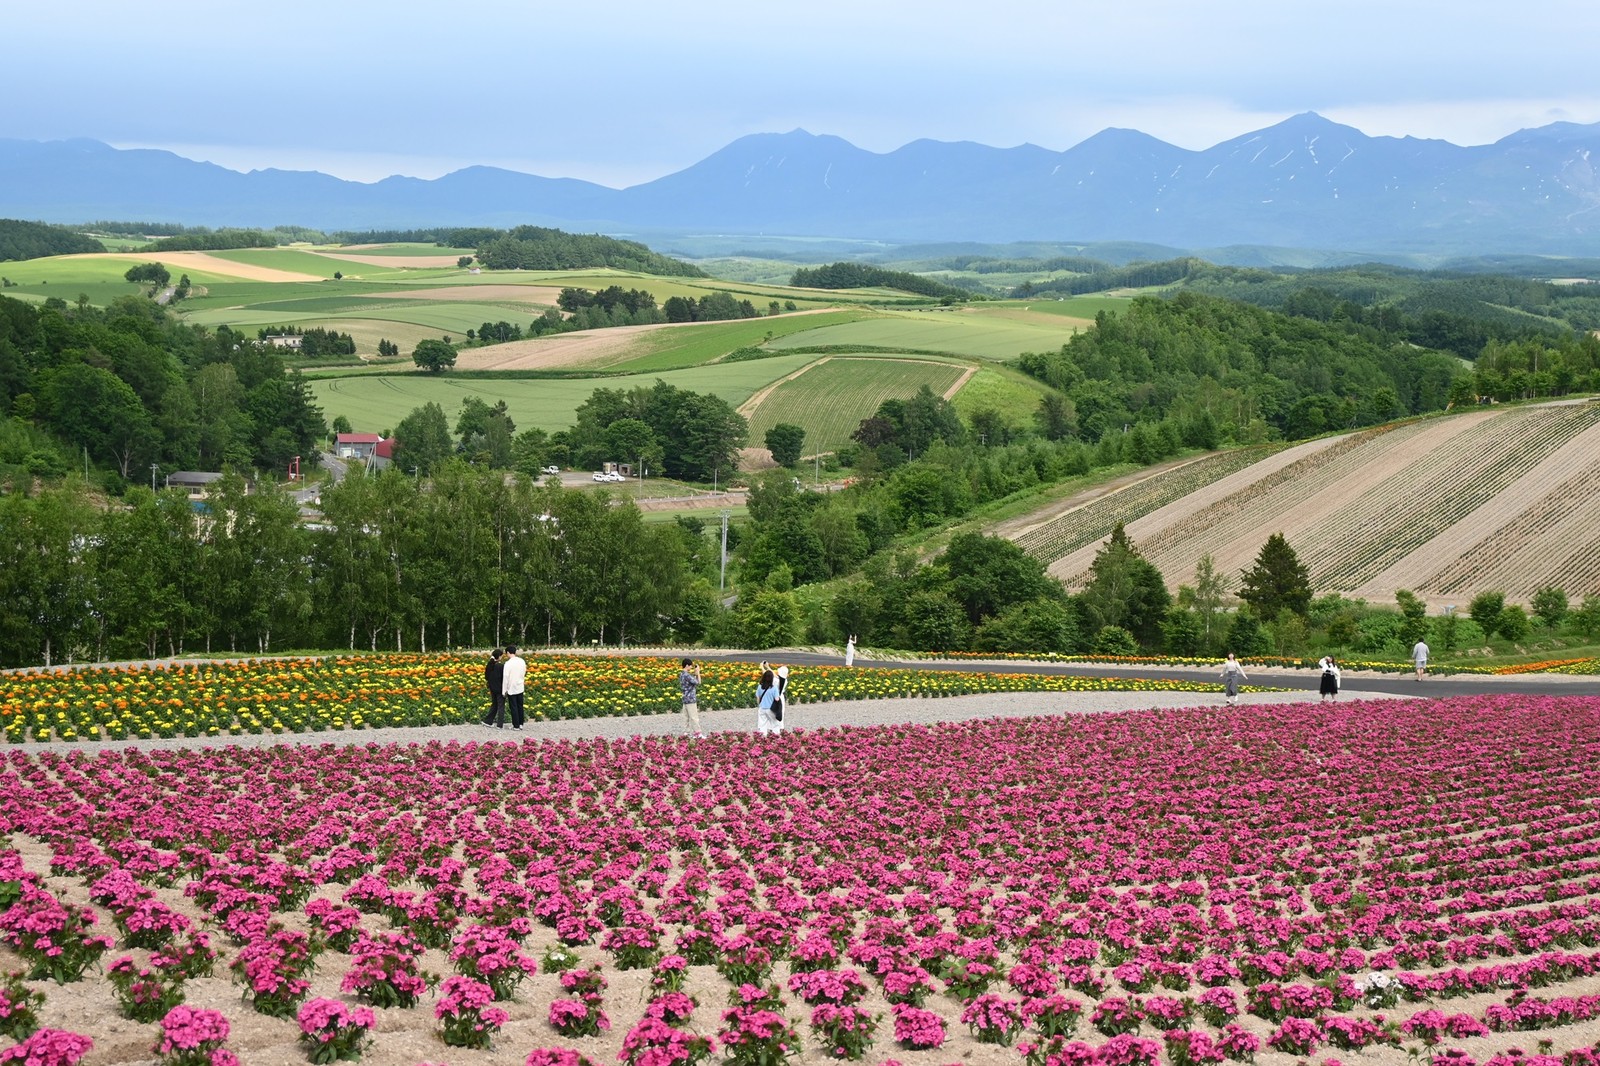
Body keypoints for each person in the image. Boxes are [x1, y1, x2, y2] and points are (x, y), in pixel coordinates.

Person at [501, 644, 527, 729]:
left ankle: (515, 725)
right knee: (520, 705)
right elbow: (524, 672)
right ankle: (521, 724)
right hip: (520, 686)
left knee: (513, 707)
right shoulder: (521, 661)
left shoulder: (508, 663)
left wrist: (504, 690)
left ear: (508, 652)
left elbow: (505, 677)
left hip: (511, 687)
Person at [679, 657, 704, 739]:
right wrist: (698, 673)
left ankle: (686, 732)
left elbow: (690, 680)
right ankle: (698, 733)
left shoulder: (682, 674)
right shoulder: (687, 675)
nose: (691, 667)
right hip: (691, 699)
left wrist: (695, 673)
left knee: (686, 717)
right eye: (690, 666)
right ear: (686, 665)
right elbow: (698, 682)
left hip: (685, 698)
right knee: (694, 717)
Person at [482, 648, 505, 726]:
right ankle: (500, 724)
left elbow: (486, 677)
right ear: (499, 656)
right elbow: (503, 677)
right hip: (500, 688)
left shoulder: (489, 665)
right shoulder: (500, 666)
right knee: (501, 706)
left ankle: (488, 721)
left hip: (492, 688)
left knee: (494, 704)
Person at [755, 664, 779, 736]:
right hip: (770, 708)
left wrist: (759, 705)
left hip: (762, 708)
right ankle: (775, 738)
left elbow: (758, 697)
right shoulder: (774, 688)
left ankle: (763, 738)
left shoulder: (760, 686)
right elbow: (777, 699)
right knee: (774, 724)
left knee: (762, 724)